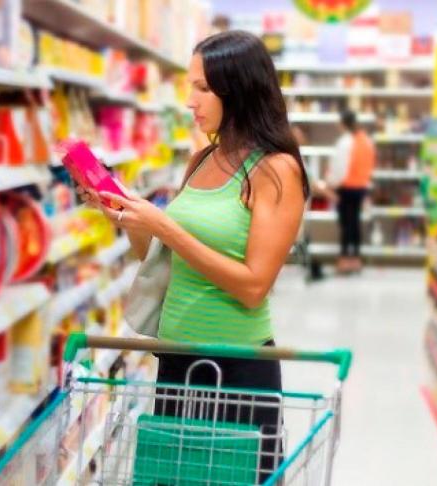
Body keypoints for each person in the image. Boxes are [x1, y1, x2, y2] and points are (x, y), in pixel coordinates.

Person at [79, 30, 308, 481]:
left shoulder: (275, 170)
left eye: (202, 87)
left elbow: (253, 285)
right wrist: (127, 219)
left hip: (236, 368)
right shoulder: (201, 161)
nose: (190, 100)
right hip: (176, 358)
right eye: (190, 86)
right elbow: (163, 257)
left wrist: (166, 224)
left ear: (238, 89)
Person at [323, 109, 376, 274]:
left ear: (343, 123)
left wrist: (330, 183)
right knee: (355, 223)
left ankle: (345, 260)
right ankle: (356, 259)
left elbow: (340, 168)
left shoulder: (345, 141)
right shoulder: (366, 140)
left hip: (346, 187)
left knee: (346, 224)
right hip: (361, 187)